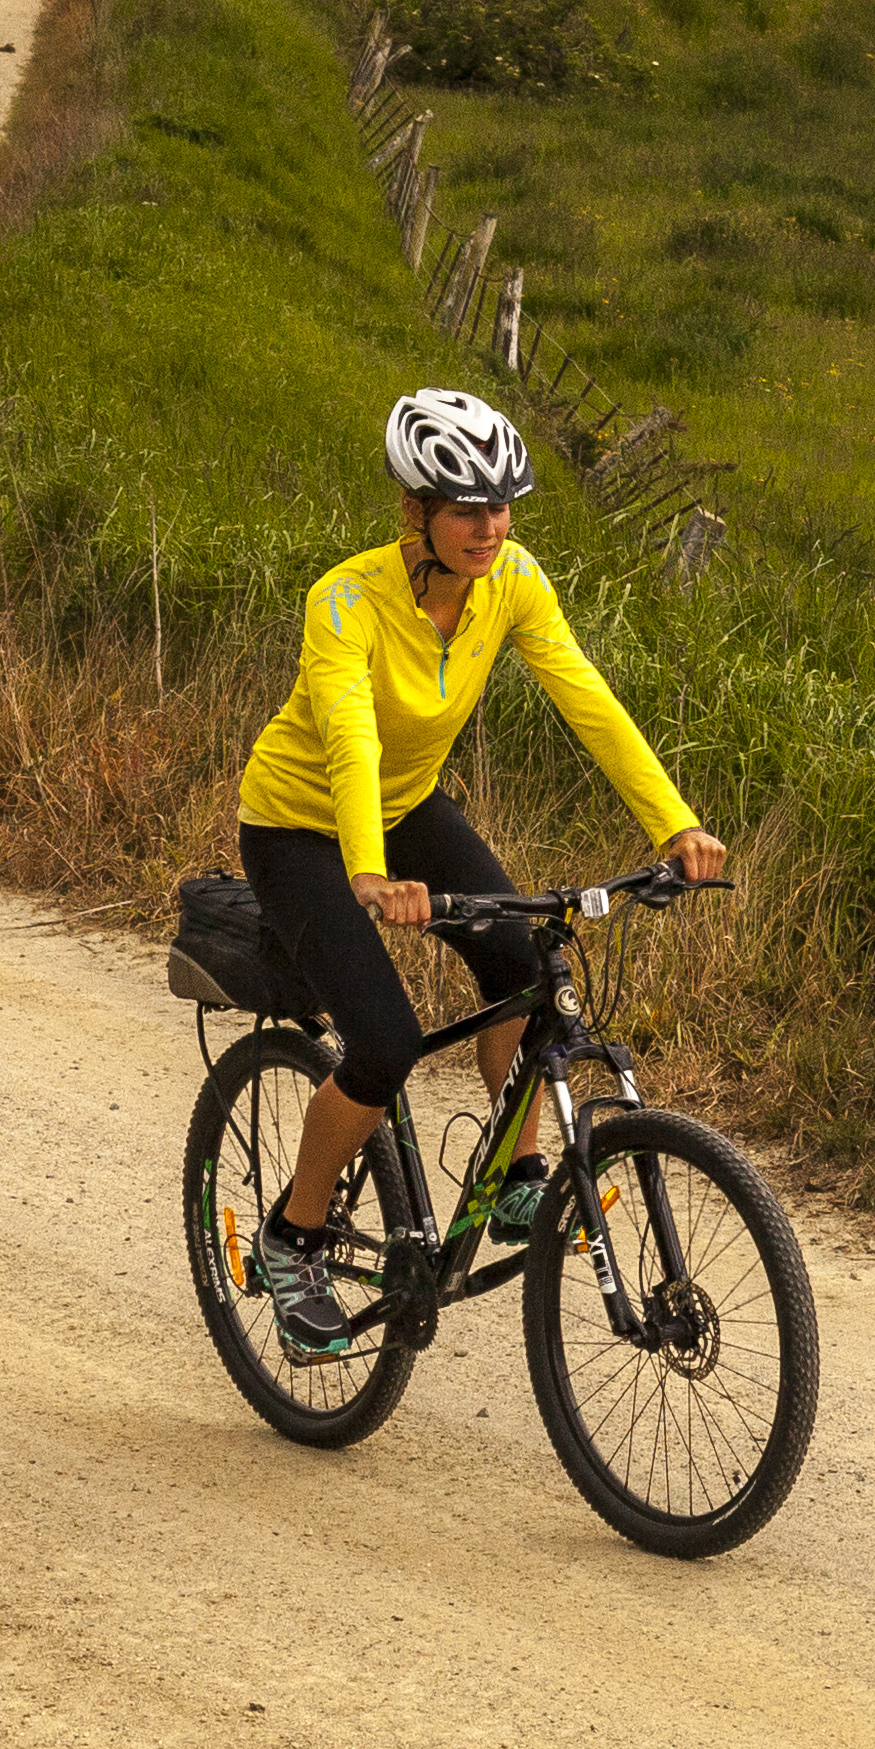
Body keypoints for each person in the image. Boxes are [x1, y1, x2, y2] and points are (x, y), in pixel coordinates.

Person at [230, 389, 728, 1356]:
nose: (490, 527)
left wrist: (674, 823)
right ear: (414, 510)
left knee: (523, 965)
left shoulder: (514, 582)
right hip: (299, 826)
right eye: (466, 508)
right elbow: (349, 732)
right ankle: (293, 1241)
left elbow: (586, 696)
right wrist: (368, 875)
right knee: (383, 1043)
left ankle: (514, 1177)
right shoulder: (344, 600)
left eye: (503, 505)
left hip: (407, 805)